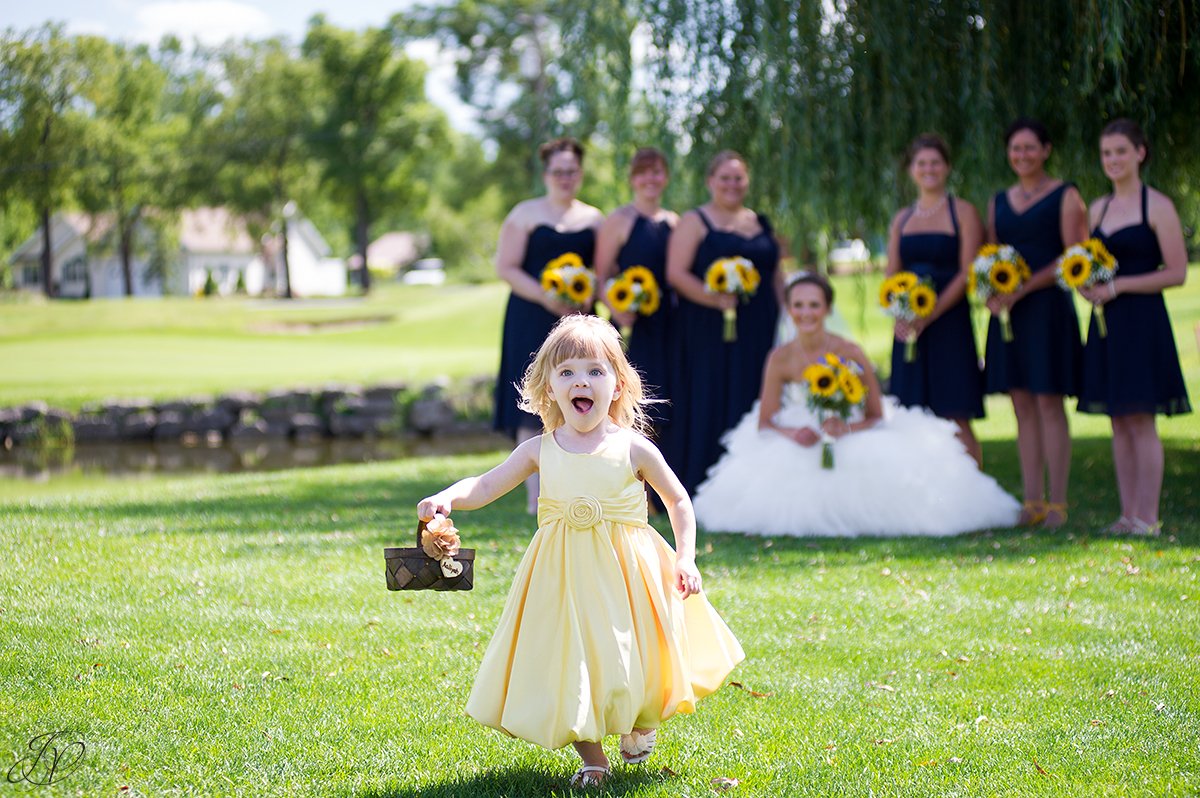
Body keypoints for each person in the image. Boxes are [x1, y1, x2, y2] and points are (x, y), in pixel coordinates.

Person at [419, 315, 744, 789]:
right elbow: (486, 484)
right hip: (561, 576)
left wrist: (685, 556)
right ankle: (593, 758)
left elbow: (677, 500)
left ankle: (640, 720)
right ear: (549, 388)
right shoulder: (539, 449)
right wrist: (448, 497)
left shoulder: (634, 448)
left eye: (594, 371)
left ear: (617, 386)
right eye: (567, 372)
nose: (581, 382)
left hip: (627, 574)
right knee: (569, 661)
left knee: (633, 654)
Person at [693, 272, 1020, 537]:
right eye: (798, 305)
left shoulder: (849, 351)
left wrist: (846, 427)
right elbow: (765, 423)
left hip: (851, 427)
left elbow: (879, 415)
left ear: (828, 309)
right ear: (789, 309)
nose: (806, 313)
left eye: (814, 305)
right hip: (803, 429)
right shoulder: (780, 358)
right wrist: (794, 434)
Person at [1078, 119, 1191, 536]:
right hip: (1107, 325)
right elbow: (1086, 265)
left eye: (1121, 151)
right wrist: (1088, 289)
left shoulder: (1157, 206)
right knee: (1118, 419)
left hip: (1143, 322)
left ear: (1140, 153)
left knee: (1142, 418)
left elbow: (1177, 272)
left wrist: (1119, 286)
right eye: (1107, 153)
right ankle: (1127, 515)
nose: (1113, 160)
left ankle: (1148, 518)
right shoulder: (1097, 209)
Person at [983, 119, 1088, 528]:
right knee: (1021, 404)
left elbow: (1072, 258)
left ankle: (1058, 503)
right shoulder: (998, 201)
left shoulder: (1066, 195)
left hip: (1047, 309)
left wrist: (1024, 288)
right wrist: (992, 289)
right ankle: (1032, 501)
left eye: (1030, 147)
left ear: (1046, 150)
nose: (1022, 155)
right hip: (1009, 314)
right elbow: (992, 255)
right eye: (1015, 148)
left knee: (1048, 401)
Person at [492, 137, 604, 513]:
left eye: (572, 171)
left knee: (582, 393)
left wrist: (586, 296)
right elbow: (505, 266)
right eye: (558, 171)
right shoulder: (524, 214)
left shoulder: (594, 218)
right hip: (530, 314)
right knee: (534, 397)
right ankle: (534, 497)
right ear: (546, 174)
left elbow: (602, 272)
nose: (565, 178)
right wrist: (544, 295)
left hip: (577, 320)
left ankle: (580, 484)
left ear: (580, 174)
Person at [664, 150, 784, 495]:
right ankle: (707, 481)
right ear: (710, 181)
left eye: (739, 178)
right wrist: (713, 297)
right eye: (725, 178)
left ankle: (754, 481)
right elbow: (676, 273)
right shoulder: (695, 220)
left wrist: (787, 313)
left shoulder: (760, 222)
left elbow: (774, 274)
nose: (732, 184)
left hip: (758, 324)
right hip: (706, 327)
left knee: (754, 392)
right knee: (712, 394)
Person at [885, 133, 986, 467]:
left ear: (946, 167)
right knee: (911, 414)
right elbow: (891, 275)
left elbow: (967, 272)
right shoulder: (901, 219)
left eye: (935, 163)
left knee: (955, 412)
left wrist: (930, 315)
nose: (928, 169)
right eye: (921, 163)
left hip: (950, 324)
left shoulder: (964, 212)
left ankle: (974, 495)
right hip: (909, 328)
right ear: (911, 170)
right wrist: (902, 315)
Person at [594, 147, 678, 437]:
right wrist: (618, 309)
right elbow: (601, 276)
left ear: (666, 177)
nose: (649, 179)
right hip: (631, 324)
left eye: (656, 171)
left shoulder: (675, 222)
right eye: (642, 172)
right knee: (633, 397)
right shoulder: (619, 220)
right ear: (632, 179)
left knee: (670, 399)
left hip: (670, 323)